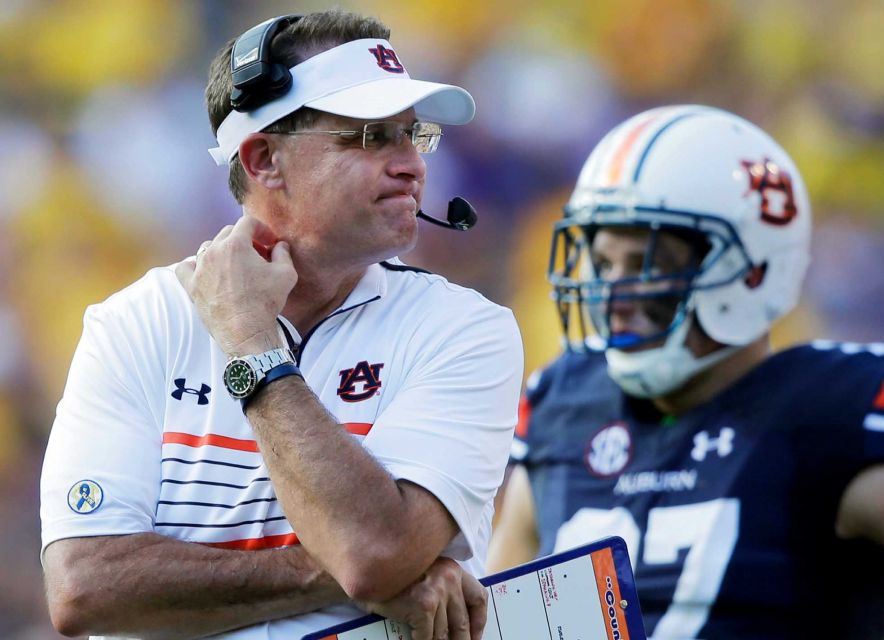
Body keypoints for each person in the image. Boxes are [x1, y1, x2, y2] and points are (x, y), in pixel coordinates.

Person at [40, 10, 523, 640]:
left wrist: (252, 347)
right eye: (374, 136)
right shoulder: (133, 323)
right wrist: (354, 571)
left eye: (414, 135)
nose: (412, 165)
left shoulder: (466, 329)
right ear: (264, 158)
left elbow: (372, 554)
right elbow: (84, 588)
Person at [487, 104, 884, 639]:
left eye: (651, 263)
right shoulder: (565, 403)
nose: (615, 292)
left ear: (754, 269)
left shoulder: (839, 408)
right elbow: (501, 623)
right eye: (603, 264)